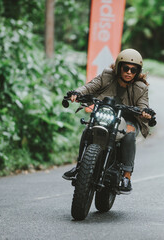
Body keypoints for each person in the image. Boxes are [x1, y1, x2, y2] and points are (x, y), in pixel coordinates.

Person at [62, 49, 152, 193]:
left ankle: (127, 176)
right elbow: (89, 87)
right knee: (88, 129)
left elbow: (143, 105)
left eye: (133, 70)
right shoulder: (106, 76)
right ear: (118, 67)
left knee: (129, 134)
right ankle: (80, 166)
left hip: (127, 119)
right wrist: (77, 93)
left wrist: (145, 112)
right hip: (105, 113)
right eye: (126, 68)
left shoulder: (140, 88)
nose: (129, 72)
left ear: (137, 71)